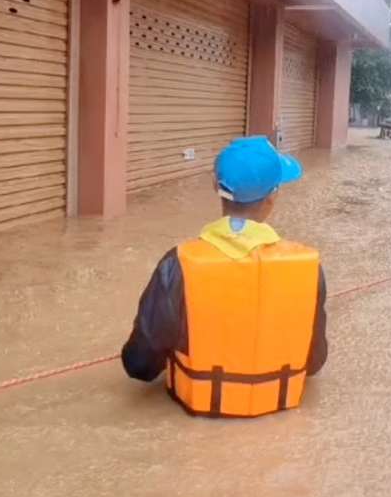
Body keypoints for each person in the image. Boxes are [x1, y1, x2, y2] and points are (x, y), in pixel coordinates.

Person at [120, 137, 328, 417]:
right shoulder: (308, 266)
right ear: (272, 196)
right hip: (279, 423)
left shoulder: (178, 264)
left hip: (194, 422)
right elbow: (314, 363)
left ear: (216, 187)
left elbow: (140, 366)